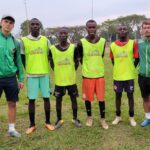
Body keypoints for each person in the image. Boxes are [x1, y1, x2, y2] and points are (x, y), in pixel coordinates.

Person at [21, 18, 54, 134]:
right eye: (32, 24)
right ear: (29, 26)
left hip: (44, 74)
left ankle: (48, 122)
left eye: (37, 24)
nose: (35, 26)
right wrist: (29, 69)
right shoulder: (23, 40)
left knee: (46, 98)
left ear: (40, 26)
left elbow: (50, 55)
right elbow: (22, 58)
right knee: (31, 100)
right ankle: (32, 125)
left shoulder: (45, 40)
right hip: (31, 76)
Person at [77, 19, 109, 129]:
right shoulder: (81, 42)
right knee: (87, 99)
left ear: (96, 28)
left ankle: (103, 120)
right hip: (87, 76)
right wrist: (87, 67)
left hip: (99, 75)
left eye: (93, 27)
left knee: (101, 99)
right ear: (86, 28)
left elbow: (101, 55)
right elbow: (81, 58)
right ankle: (89, 117)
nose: (91, 29)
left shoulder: (103, 41)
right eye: (89, 27)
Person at [49, 27, 81, 129]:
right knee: (58, 101)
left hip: (71, 80)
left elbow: (76, 63)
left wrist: (70, 71)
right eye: (61, 33)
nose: (63, 35)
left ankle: (75, 118)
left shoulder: (73, 47)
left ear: (68, 35)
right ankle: (59, 119)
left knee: (74, 100)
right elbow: (52, 64)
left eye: (65, 33)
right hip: (59, 80)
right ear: (58, 35)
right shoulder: (52, 49)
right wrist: (59, 71)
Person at [0, 15, 24, 137]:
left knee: (12, 103)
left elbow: (18, 61)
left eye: (11, 23)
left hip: (11, 78)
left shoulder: (16, 42)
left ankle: (11, 129)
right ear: (1, 23)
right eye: (6, 21)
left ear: (13, 26)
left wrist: (20, 78)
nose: (8, 24)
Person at [110, 24, 138, 126]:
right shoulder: (113, 45)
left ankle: (131, 117)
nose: (122, 31)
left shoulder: (133, 43)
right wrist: (119, 69)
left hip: (129, 76)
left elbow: (137, 59)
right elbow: (113, 60)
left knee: (130, 96)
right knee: (118, 96)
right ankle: (118, 117)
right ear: (117, 32)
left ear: (128, 31)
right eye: (120, 29)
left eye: (124, 29)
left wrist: (130, 68)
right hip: (117, 76)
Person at [138, 19, 150, 127]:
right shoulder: (139, 42)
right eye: (144, 28)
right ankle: (147, 118)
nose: (147, 30)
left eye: (148, 27)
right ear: (142, 30)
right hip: (142, 76)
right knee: (145, 98)